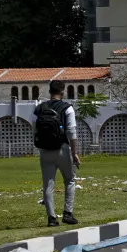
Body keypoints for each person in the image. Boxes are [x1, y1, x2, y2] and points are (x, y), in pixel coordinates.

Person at [34, 79, 81, 227]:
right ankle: (67, 213)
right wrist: (74, 153)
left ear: (50, 91)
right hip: (62, 148)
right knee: (70, 180)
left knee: (48, 184)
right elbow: (71, 131)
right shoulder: (67, 108)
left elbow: (34, 128)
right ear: (62, 91)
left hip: (45, 150)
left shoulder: (39, 108)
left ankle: (51, 218)